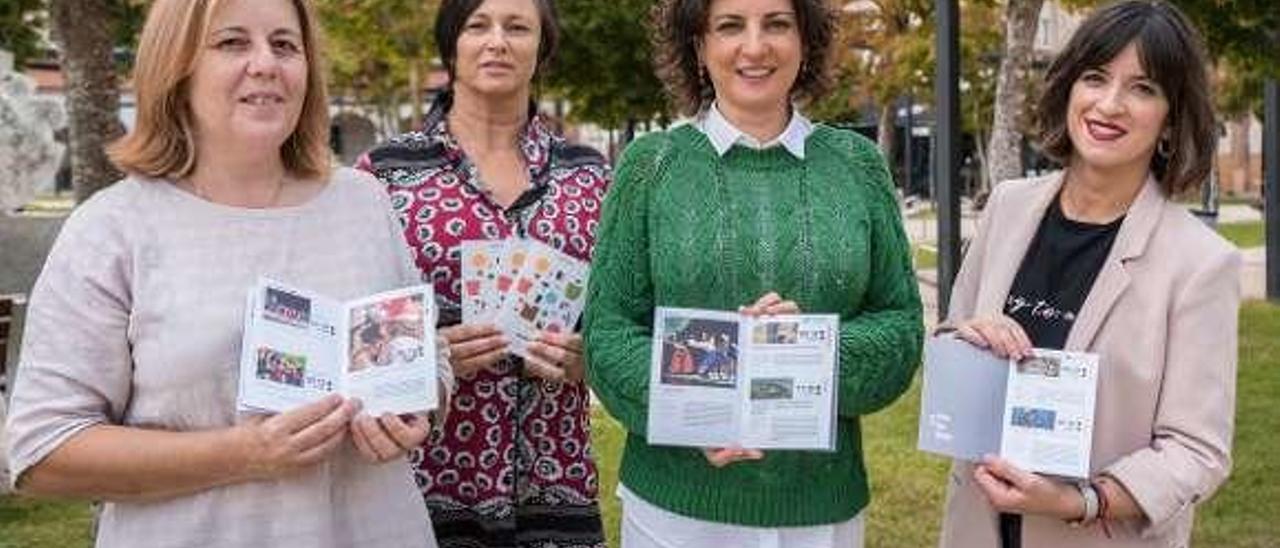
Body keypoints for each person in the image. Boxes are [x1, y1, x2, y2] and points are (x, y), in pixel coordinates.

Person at [3, 0, 452, 546]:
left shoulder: (363, 202)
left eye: (285, 45)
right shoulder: (113, 228)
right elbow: (44, 449)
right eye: (233, 43)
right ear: (177, 67)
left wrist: (414, 403)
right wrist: (242, 455)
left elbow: (426, 354)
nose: (266, 63)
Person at [583, 0, 923, 546]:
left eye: (778, 24)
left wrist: (803, 350)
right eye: (730, 26)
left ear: (806, 40)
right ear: (699, 46)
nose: (755, 46)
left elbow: (901, 329)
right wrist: (695, 412)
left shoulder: (857, 165)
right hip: (676, 509)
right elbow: (606, 334)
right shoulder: (651, 166)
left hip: (819, 509)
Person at [937, 2, 1239, 547]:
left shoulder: (1200, 263)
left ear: (1171, 117)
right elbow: (950, 340)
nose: (1110, 104)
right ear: (1069, 88)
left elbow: (1197, 451)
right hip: (976, 529)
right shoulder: (1006, 207)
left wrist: (1083, 501)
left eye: (1143, 88)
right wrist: (966, 339)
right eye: (1095, 78)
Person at [356, 0, 611, 546]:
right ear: (451, 46)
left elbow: (621, 318)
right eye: (478, 26)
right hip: (423, 483)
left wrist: (590, 358)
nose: (497, 41)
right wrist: (428, 354)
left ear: (542, 47)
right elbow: (352, 322)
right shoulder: (381, 176)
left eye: (517, 27)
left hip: (555, 486)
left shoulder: (589, 176)